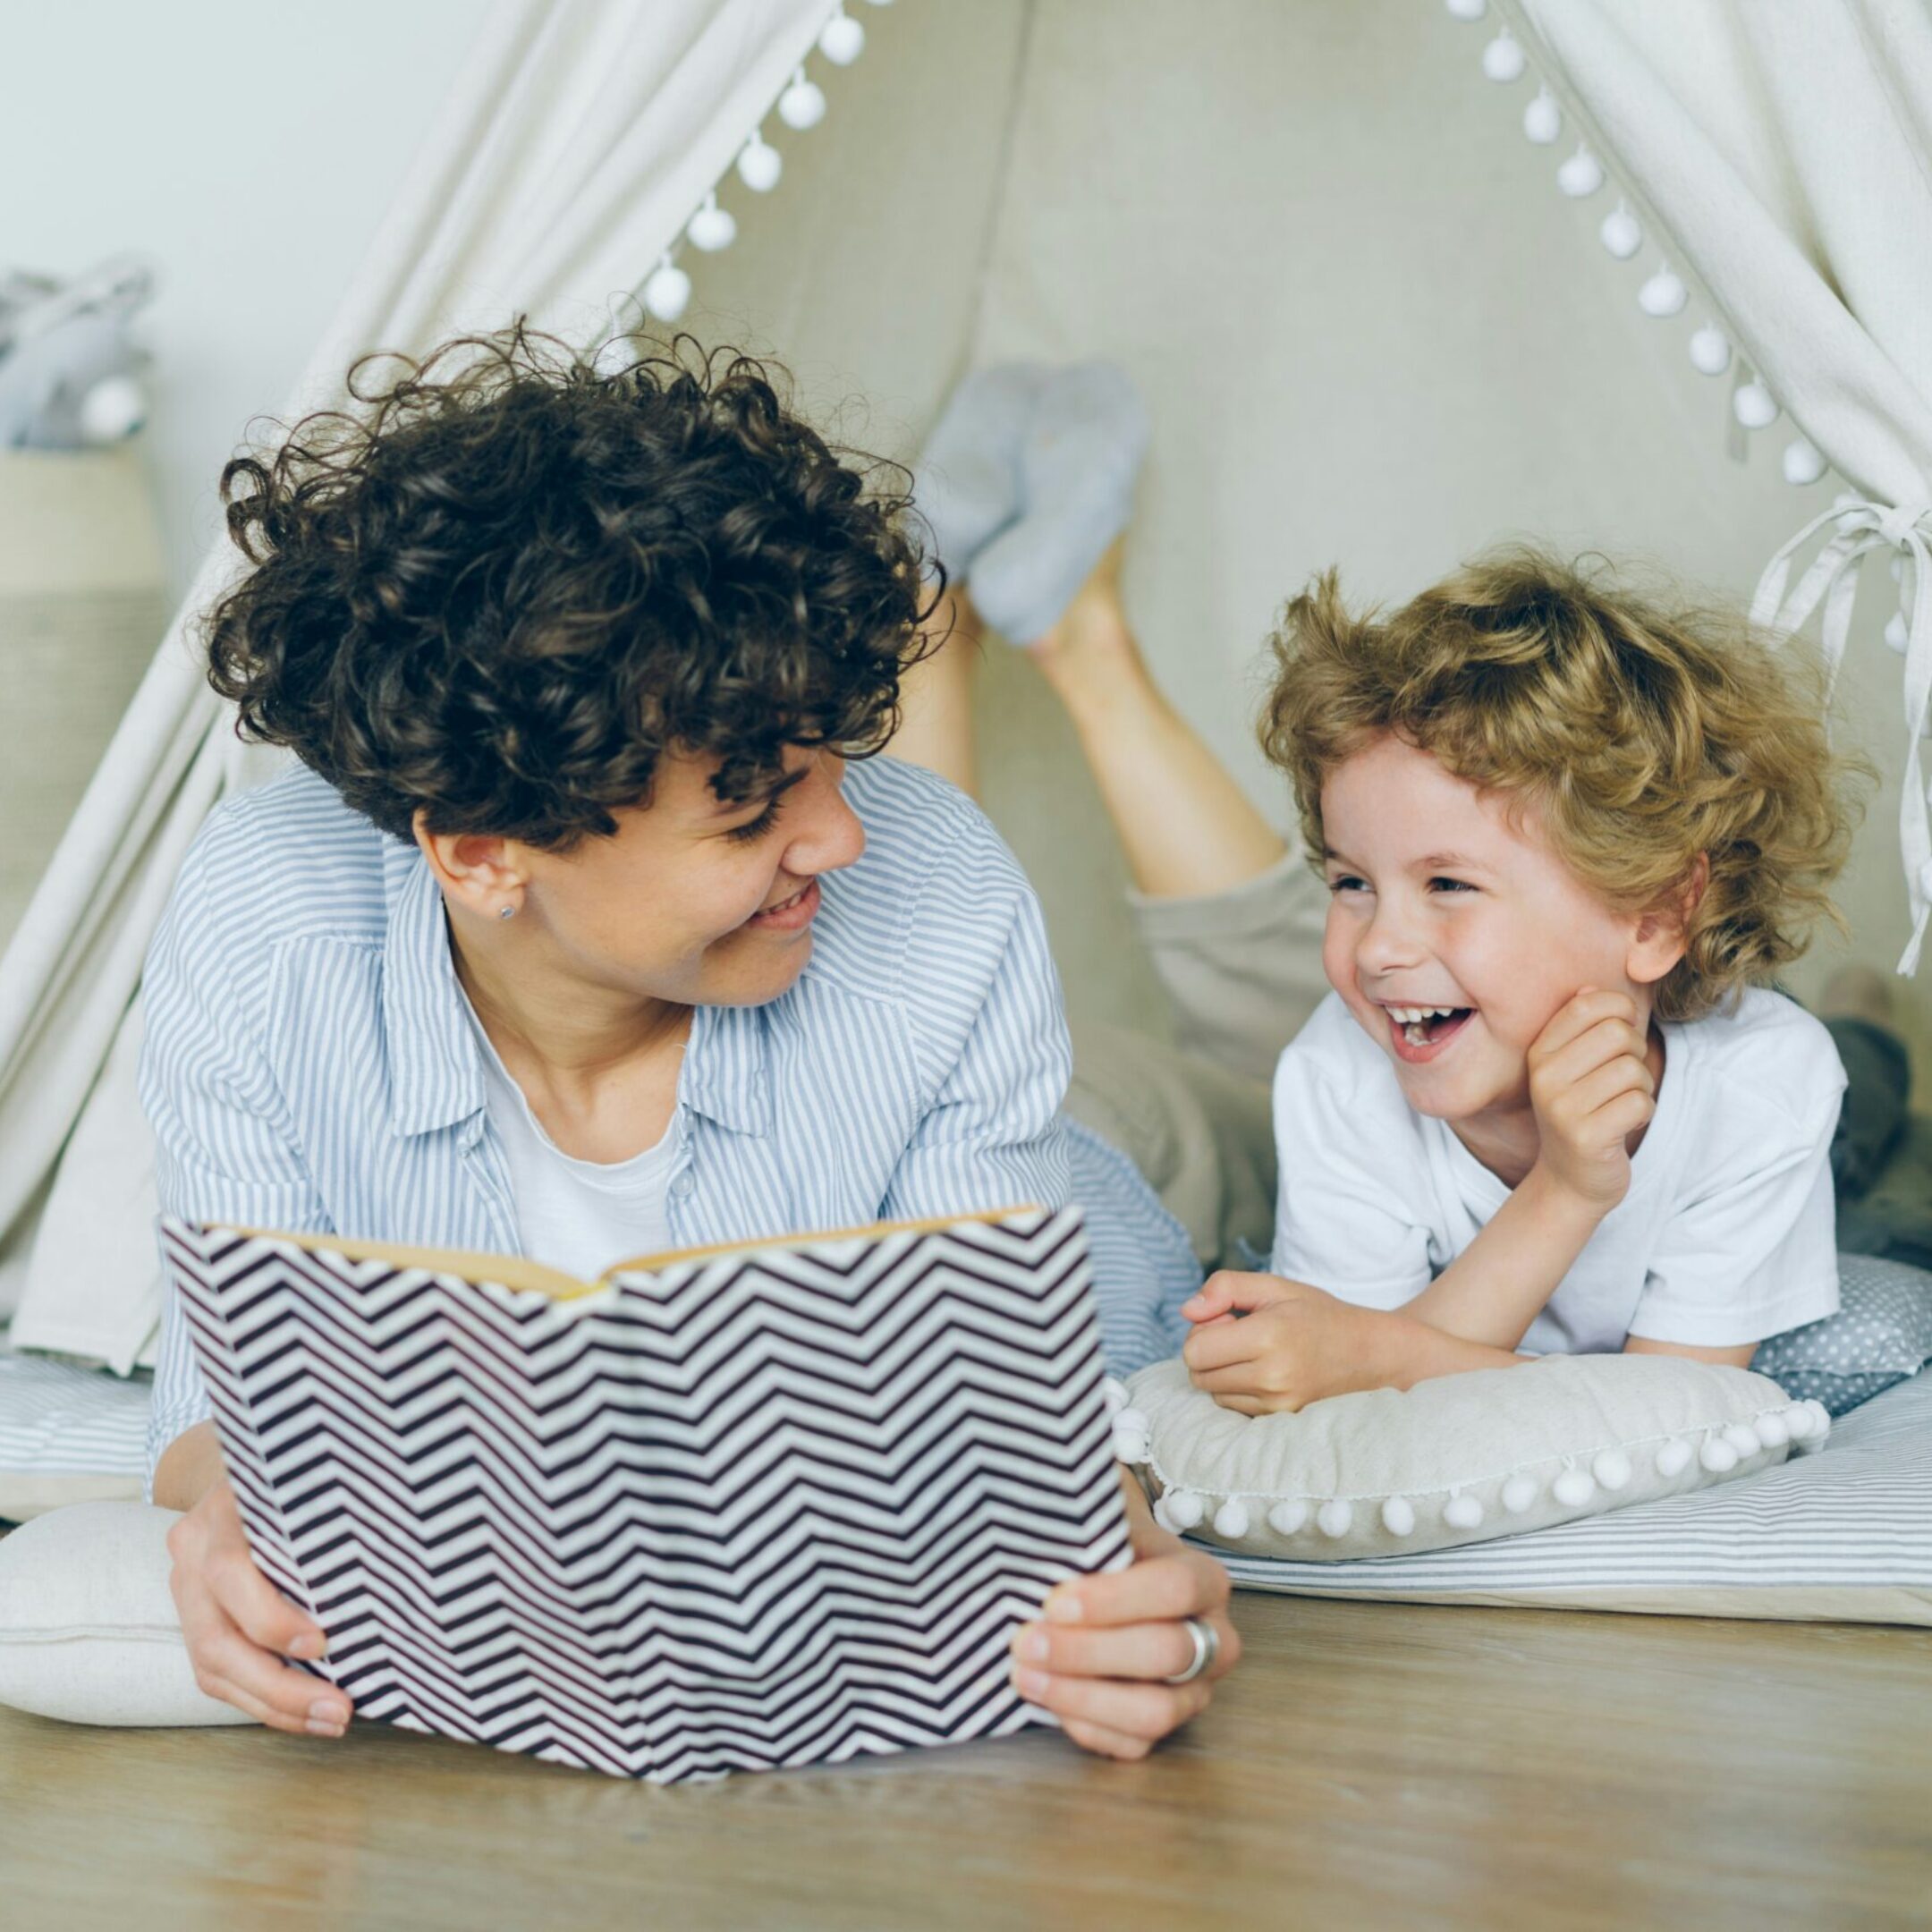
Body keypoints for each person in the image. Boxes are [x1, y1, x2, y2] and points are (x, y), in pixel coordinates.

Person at [140, 330, 1237, 1762]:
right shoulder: (258, 916)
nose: (840, 830)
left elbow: (1020, 1421)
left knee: (1241, 1095)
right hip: (891, 1035)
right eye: (749, 808)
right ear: (481, 855)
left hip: (1108, 1152)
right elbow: (215, 1403)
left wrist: (1135, 1577)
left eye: (840, 749)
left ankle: (1041, 633)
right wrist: (230, 1506)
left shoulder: (938, 894)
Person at [899, 368, 1922, 1421]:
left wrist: (1550, 1207)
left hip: (1777, 1063)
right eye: (1349, 881)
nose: (1379, 944)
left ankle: (1861, 1015)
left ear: (1658, 915)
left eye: (1447, 882)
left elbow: (1680, 1410)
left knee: (1858, 1091)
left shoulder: (1761, 1083)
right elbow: (1359, 1383)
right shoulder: (1339, 1080)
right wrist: (1562, 1194)